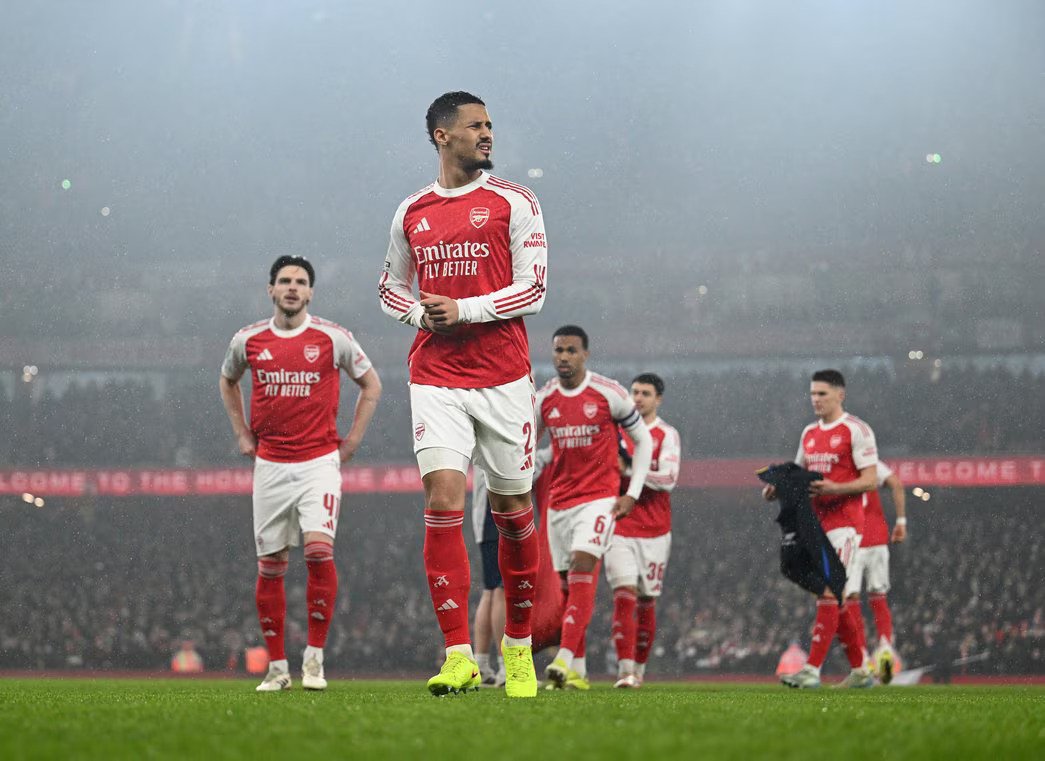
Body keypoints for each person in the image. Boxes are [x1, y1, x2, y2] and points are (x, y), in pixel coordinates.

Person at [378, 91, 547, 698]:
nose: (488, 135)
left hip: (504, 378)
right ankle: (457, 654)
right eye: (476, 126)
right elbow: (389, 287)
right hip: (435, 377)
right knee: (443, 497)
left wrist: (465, 308)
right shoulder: (412, 211)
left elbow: (536, 288)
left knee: (511, 513)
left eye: (491, 125)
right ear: (441, 136)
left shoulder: (515, 201)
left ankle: (520, 648)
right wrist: (421, 320)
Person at [220, 255, 382, 692]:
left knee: (317, 553)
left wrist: (352, 441)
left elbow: (372, 384)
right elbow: (227, 380)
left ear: (310, 292)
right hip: (270, 464)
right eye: (285, 281)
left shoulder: (333, 338)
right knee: (271, 566)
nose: (293, 287)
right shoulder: (248, 340)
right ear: (271, 289)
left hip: (318, 463)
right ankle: (277, 668)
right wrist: (241, 432)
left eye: (301, 282)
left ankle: (314, 660)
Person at [536, 326, 653, 690]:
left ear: (585, 354)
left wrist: (631, 491)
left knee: (585, 564)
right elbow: (526, 444)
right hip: (560, 503)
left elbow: (643, 440)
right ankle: (580, 673)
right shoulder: (544, 399)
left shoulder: (608, 393)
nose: (564, 357)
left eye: (571, 350)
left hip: (599, 499)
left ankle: (564, 658)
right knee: (568, 587)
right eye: (558, 351)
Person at [763, 369, 878, 689]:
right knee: (834, 598)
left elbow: (870, 480)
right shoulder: (809, 434)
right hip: (815, 525)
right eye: (813, 394)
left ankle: (812, 670)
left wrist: (834, 489)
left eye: (822, 394)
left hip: (845, 524)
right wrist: (778, 488)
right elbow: (798, 476)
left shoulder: (856, 430)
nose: (815, 400)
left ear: (840, 395)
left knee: (828, 591)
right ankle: (860, 671)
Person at [605, 372, 681, 688]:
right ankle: (625, 671)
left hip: (655, 529)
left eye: (645, 393)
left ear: (657, 399)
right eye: (634, 392)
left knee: (647, 601)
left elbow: (669, 479)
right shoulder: (616, 431)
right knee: (624, 596)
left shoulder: (667, 435)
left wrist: (632, 470)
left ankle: (639, 669)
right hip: (619, 525)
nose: (637, 398)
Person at [843, 459, 907, 683]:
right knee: (878, 597)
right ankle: (885, 648)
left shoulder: (838, 465)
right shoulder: (871, 463)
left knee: (851, 599)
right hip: (877, 539)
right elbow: (896, 484)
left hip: (852, 538)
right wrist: (901, 521)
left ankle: (861, 657)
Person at [470, 467, 506, 686]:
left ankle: (481, 664)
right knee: (502, 588)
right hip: (496, 510)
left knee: (491, 588)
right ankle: (505, 666)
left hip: (486, 513)